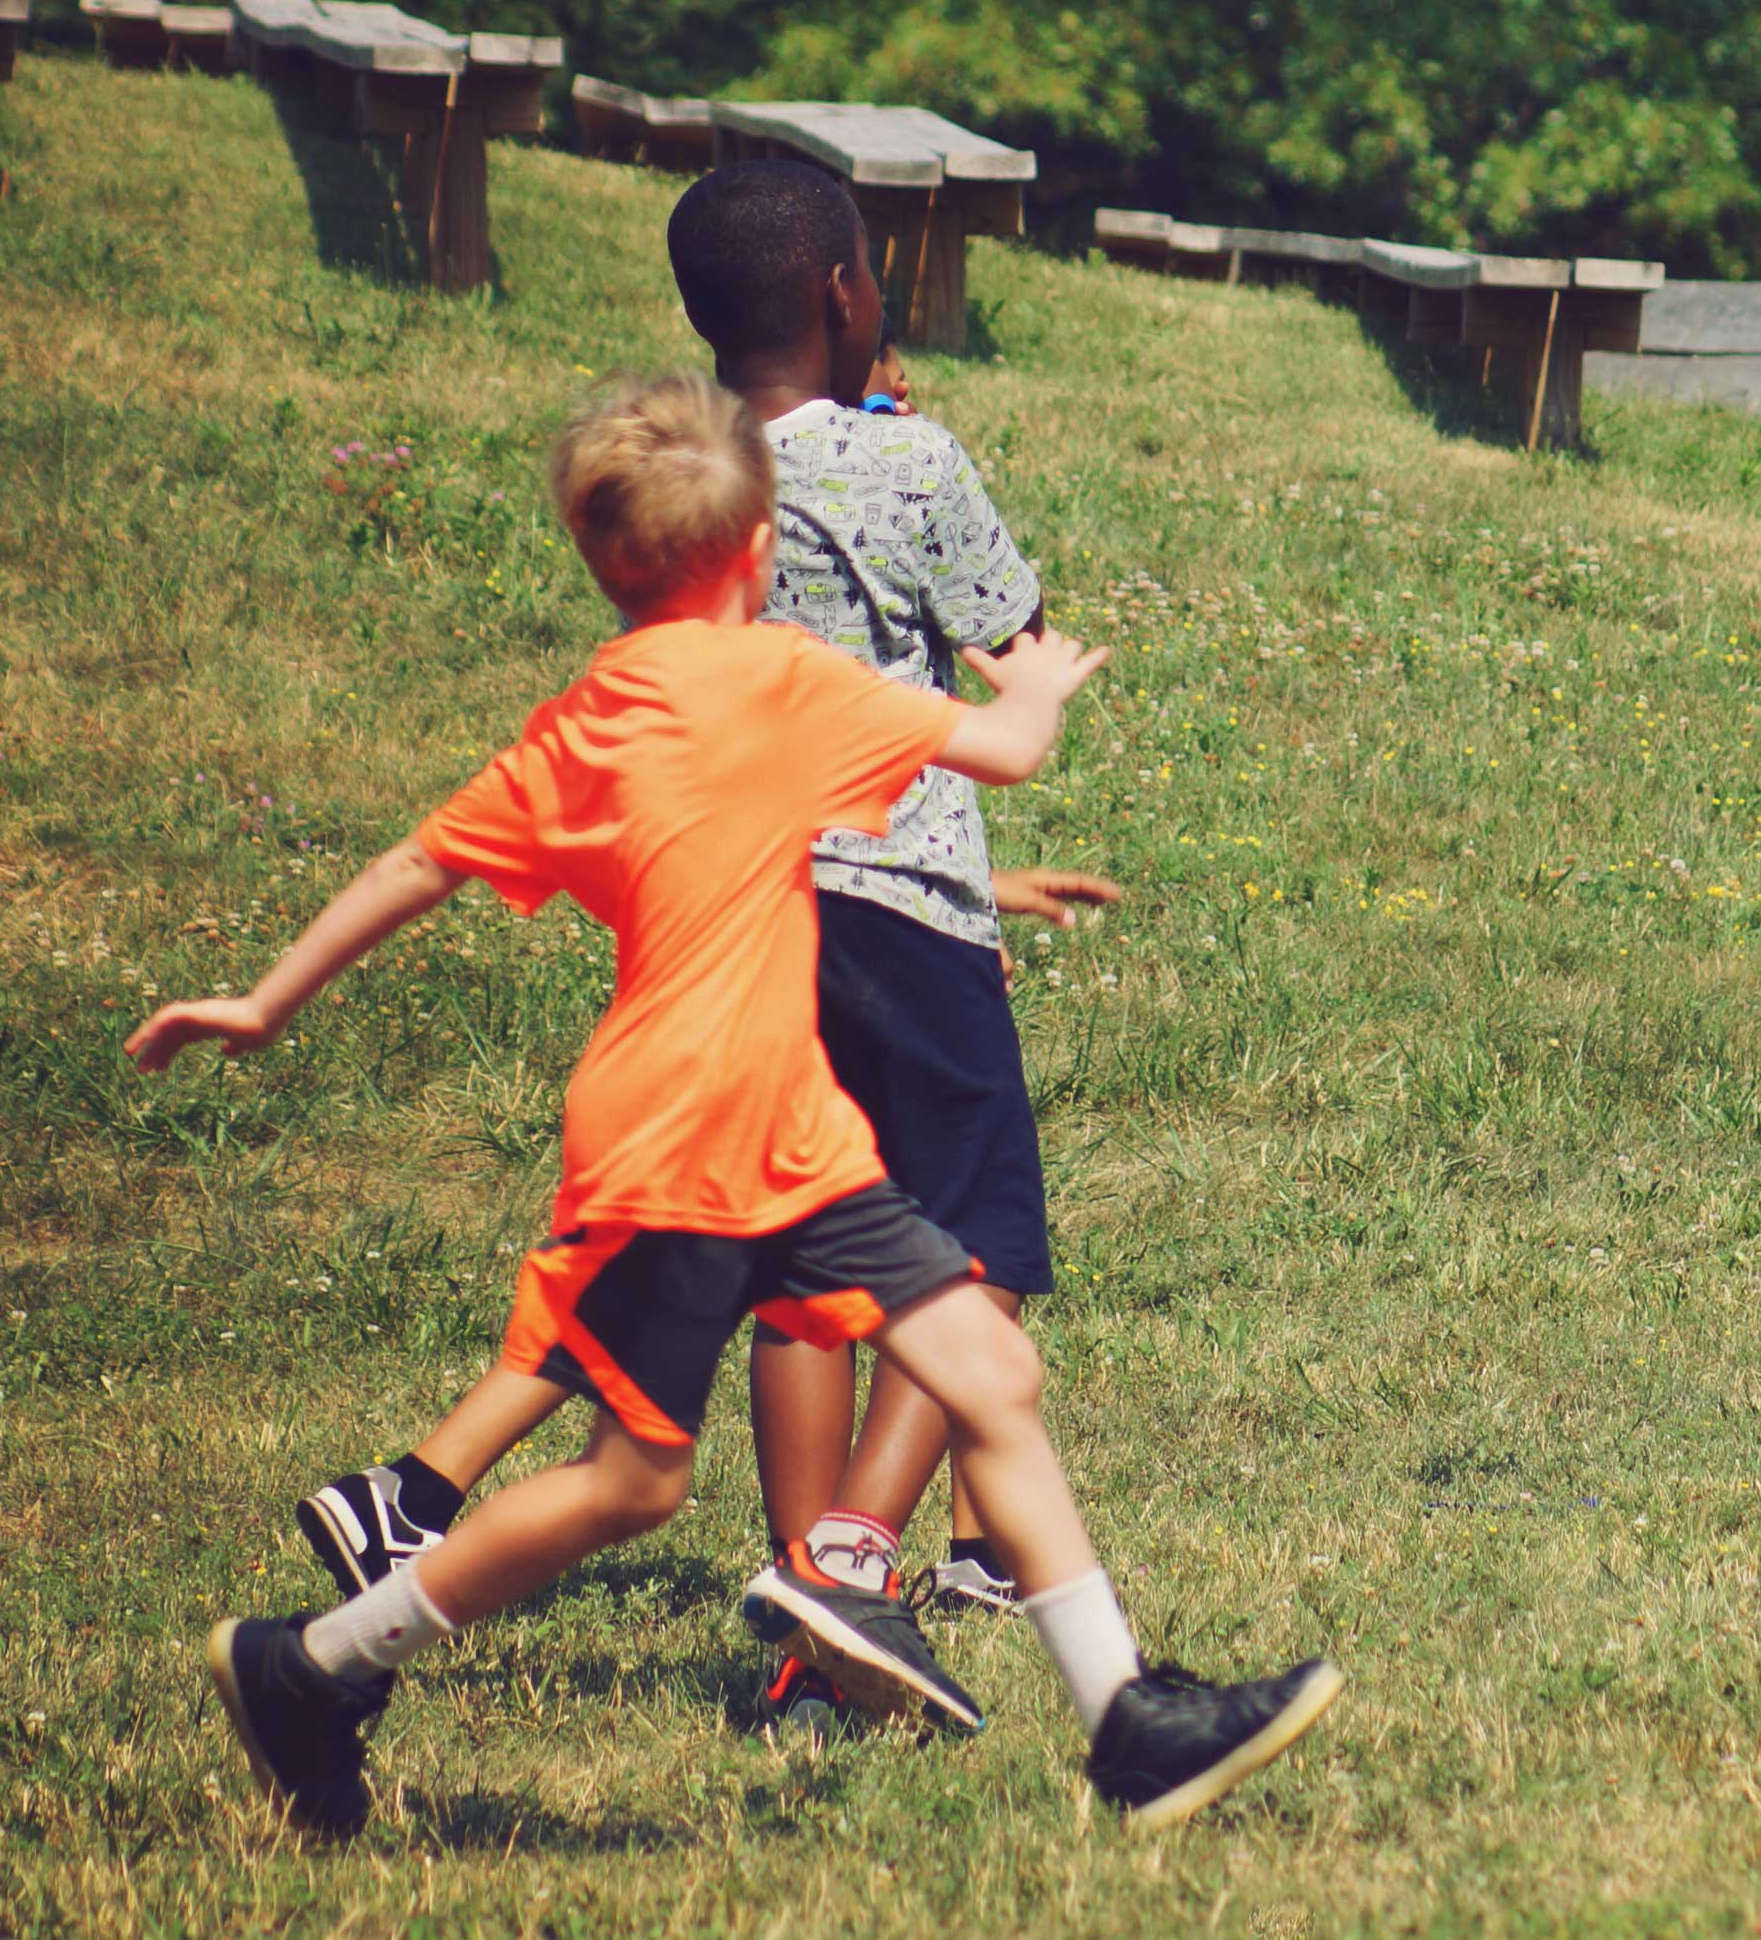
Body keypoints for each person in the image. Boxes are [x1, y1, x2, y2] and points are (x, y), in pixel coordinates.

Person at [134, 375, 1340, 1838]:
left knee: (986, 1372)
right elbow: (1007, 751)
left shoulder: (590, 721)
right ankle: (319, 1663)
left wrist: (266, 1001)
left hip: (783, 1133)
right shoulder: (785, 679)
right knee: (631, 1483)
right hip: (682, 1150)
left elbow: (418, 860)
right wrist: (1034, 683)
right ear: (763, 544)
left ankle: (1128, 1720)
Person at [292, 163, 1119, 1742]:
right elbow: (1008, 637)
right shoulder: (908, 458)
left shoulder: (719, 495)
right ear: (844, 295)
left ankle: (802, 1590)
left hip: (758, 918)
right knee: (981, 1253)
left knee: (805, 1286)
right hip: (912, 910)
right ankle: (860, 1569)